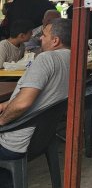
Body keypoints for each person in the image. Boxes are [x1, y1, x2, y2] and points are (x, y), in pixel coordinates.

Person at [0, 18, 71, 158]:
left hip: (13, 143)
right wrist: (5, 105)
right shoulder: (74, 59)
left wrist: (2, 120)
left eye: (44, 35)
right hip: (42, 138)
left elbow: (22, 103)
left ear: (55, 41)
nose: (40, 38)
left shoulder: (46, 58)